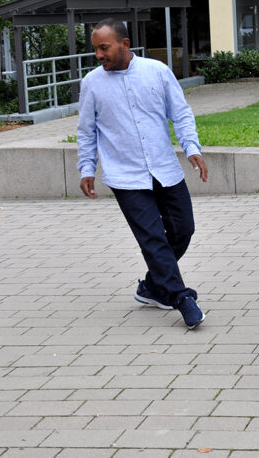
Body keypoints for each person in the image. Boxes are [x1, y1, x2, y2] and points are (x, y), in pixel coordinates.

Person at [77, 18, 208, 329]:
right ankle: (181, 298)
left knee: (183, 230)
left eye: (104, 47)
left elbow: (181, 112)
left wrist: (192, 148)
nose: (99, 55)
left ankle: (152, 286)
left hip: (164, 168)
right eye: (95, 49)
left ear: (124, 44)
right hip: (125, 176)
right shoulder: (92, 83)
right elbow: (86, 131)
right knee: (152, 239)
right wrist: (86, 168)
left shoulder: (157, 71)